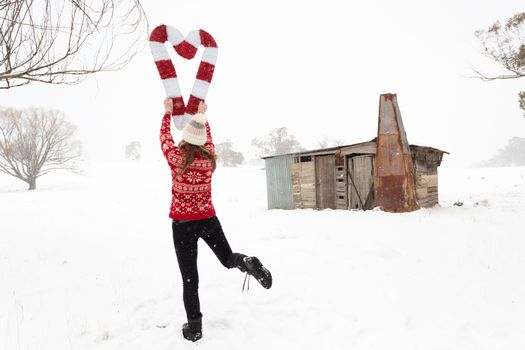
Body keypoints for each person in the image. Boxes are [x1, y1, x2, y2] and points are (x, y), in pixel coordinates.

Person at [160, 97, 272, 342]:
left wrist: (168, 113)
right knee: (228, 258)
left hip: (183, 225)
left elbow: (165, 139)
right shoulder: (209, 160)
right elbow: (207, 138)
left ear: (186, 138)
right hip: (208, 219)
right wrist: (203, 116)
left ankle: (195, 328)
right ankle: (247, 262)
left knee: (190, 278)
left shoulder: (176, 159)